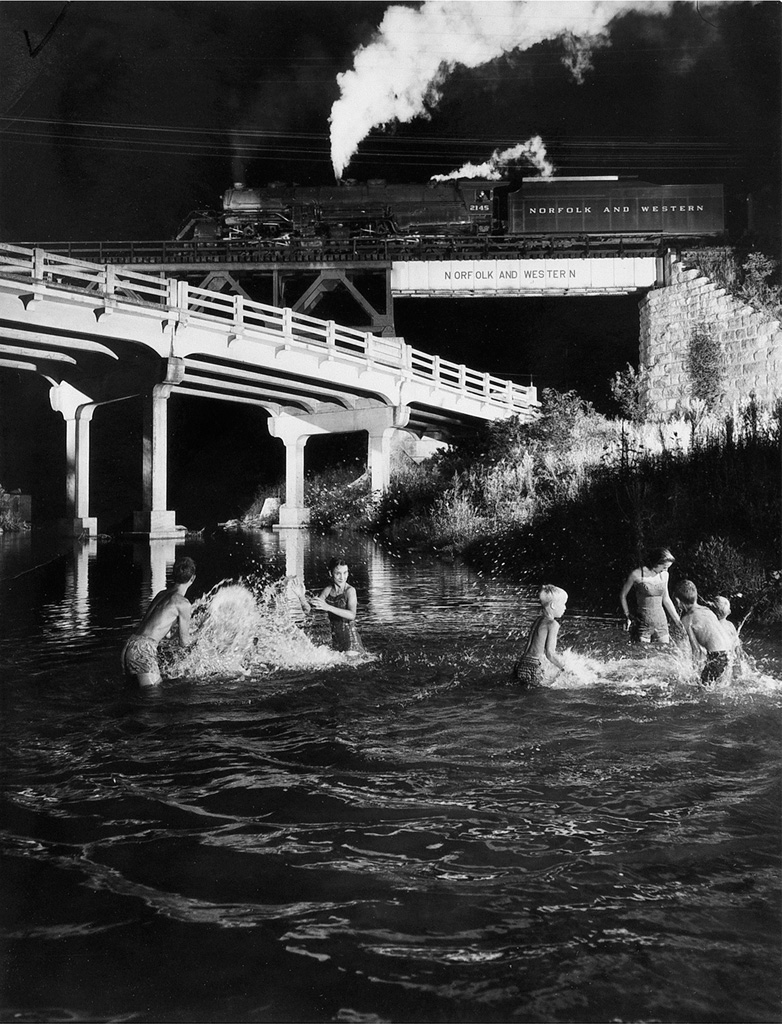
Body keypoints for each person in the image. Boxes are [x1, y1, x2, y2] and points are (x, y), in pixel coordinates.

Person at [121, 556, 196, 686]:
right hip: (144, 650)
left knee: (132, 694)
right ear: (193, 578)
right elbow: (184, 643)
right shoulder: (183, 604)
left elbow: (153, 626)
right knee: (154, 698)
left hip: (130, 644)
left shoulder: (161, 594)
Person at [299, 557, 366, 655]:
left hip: (351, 641)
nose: (342, 577)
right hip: (336, 641)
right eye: (338, 573)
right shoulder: (327, 590)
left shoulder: (350, 591)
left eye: (345, 573)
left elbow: (352, 615)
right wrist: (301, 596)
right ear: (331, 574)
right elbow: (309, 610)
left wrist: (328, 607)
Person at [619, 547, 682, 644]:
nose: (665, 570)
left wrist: (678, 621)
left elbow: (666, 599)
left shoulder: (665, 575)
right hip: (643, 622)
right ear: (656, 562)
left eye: (668, 568)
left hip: (661, 622)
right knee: (643, 656)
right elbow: (623, 595)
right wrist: (627, 616)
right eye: (664, 567)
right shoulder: (636, 574)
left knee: (663, 655)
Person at [674, 579, 731, 686]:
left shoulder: (687, 620)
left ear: (677, 601)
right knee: (715, 686)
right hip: (727, 653)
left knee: (700, 688)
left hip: (716, 657)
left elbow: (696, 650)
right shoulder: (707, 610)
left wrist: (693, 671)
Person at [512, 584, 568, 686]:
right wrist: (564, 668)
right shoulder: (553, 624)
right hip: (532, 667)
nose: (565, 607)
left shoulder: (538, 620)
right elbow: (550, 654)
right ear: (553, 605)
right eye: (563, 604)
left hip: (520, 663)